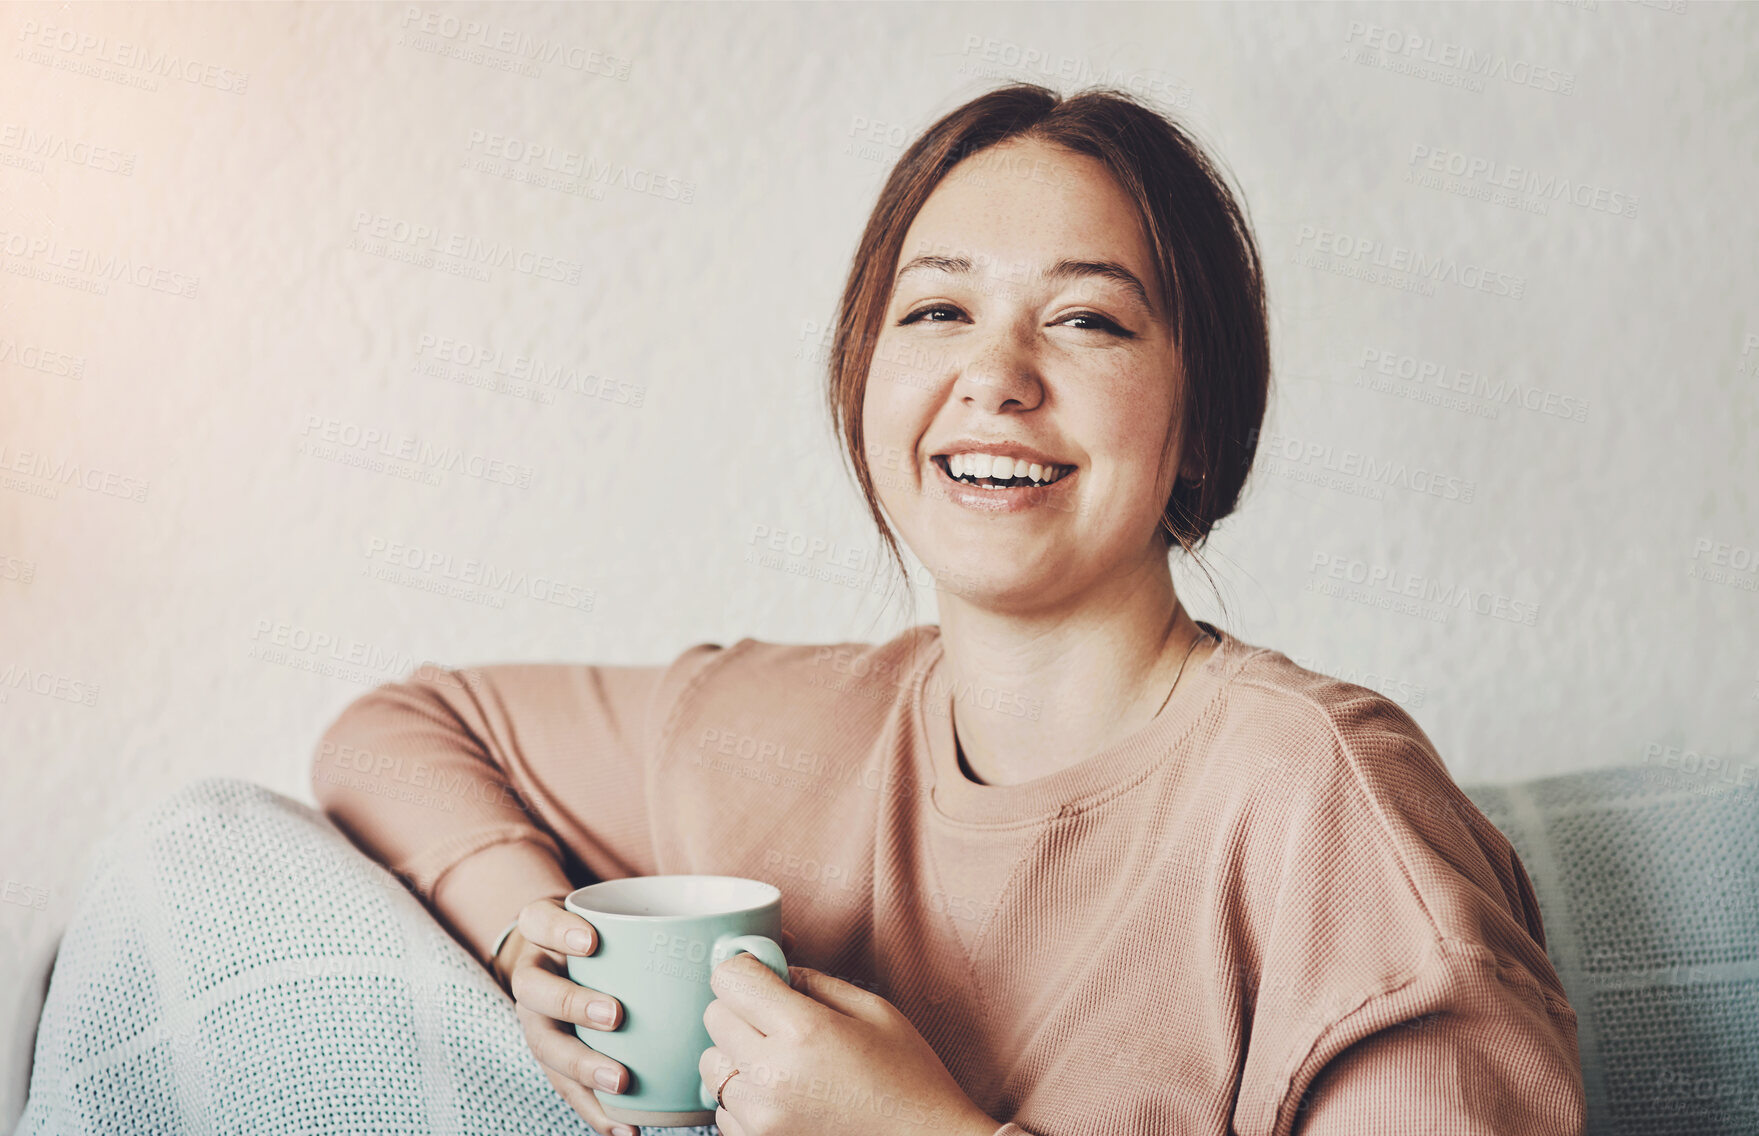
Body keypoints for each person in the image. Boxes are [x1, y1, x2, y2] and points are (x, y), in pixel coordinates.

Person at [313, 83, 1587, 1136]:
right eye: (936, 311)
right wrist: (530, 947)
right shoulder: (773, 727)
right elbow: (395, 730)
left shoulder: (1325, 801)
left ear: (1201, 424)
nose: (994, 376)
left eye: (1087, 319)